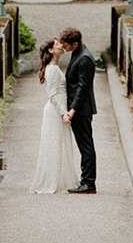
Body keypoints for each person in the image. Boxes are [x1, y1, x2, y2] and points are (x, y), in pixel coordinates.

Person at [30, 38, 82, 193]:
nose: (62, 45)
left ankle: (60, 179)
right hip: (55, 111)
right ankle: (52, 181)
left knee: (59, 143)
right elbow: (52, 94)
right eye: (58, 44)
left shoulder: (53, 67)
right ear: (51, 50)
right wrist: (63, 113)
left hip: (57, 109)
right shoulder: (51, 69)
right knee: (54, 143)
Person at [58, 27, 97, 193]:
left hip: (81, 109)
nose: (64, 48)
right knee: (84, 145)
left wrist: (72, 110)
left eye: (66, 45)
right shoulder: (78, 53)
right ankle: (86, 181)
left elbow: (83, 88)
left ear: (75, 43)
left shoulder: (85, 58)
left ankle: (88, 183)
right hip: (79, 108)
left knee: (86, 146)